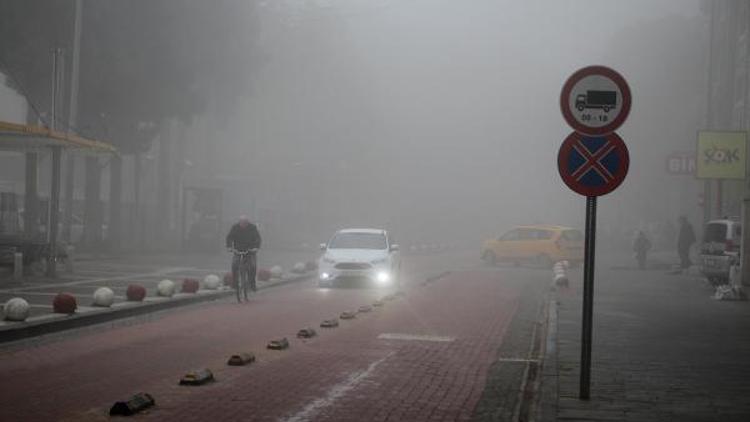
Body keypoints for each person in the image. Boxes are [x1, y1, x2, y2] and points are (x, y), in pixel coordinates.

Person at [226, 215, 262, 298]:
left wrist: (256, 247)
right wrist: (229, 246)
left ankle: (252, 284)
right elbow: (229, 237)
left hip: (250, 251)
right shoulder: (235, 228)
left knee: (253, 266)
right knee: (234, 264)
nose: (243, 224)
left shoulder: (252, 228)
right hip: (238, 250)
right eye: (241, 222)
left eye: (244, 223)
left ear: (247, 222)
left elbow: (258, 238)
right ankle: (235, 283)